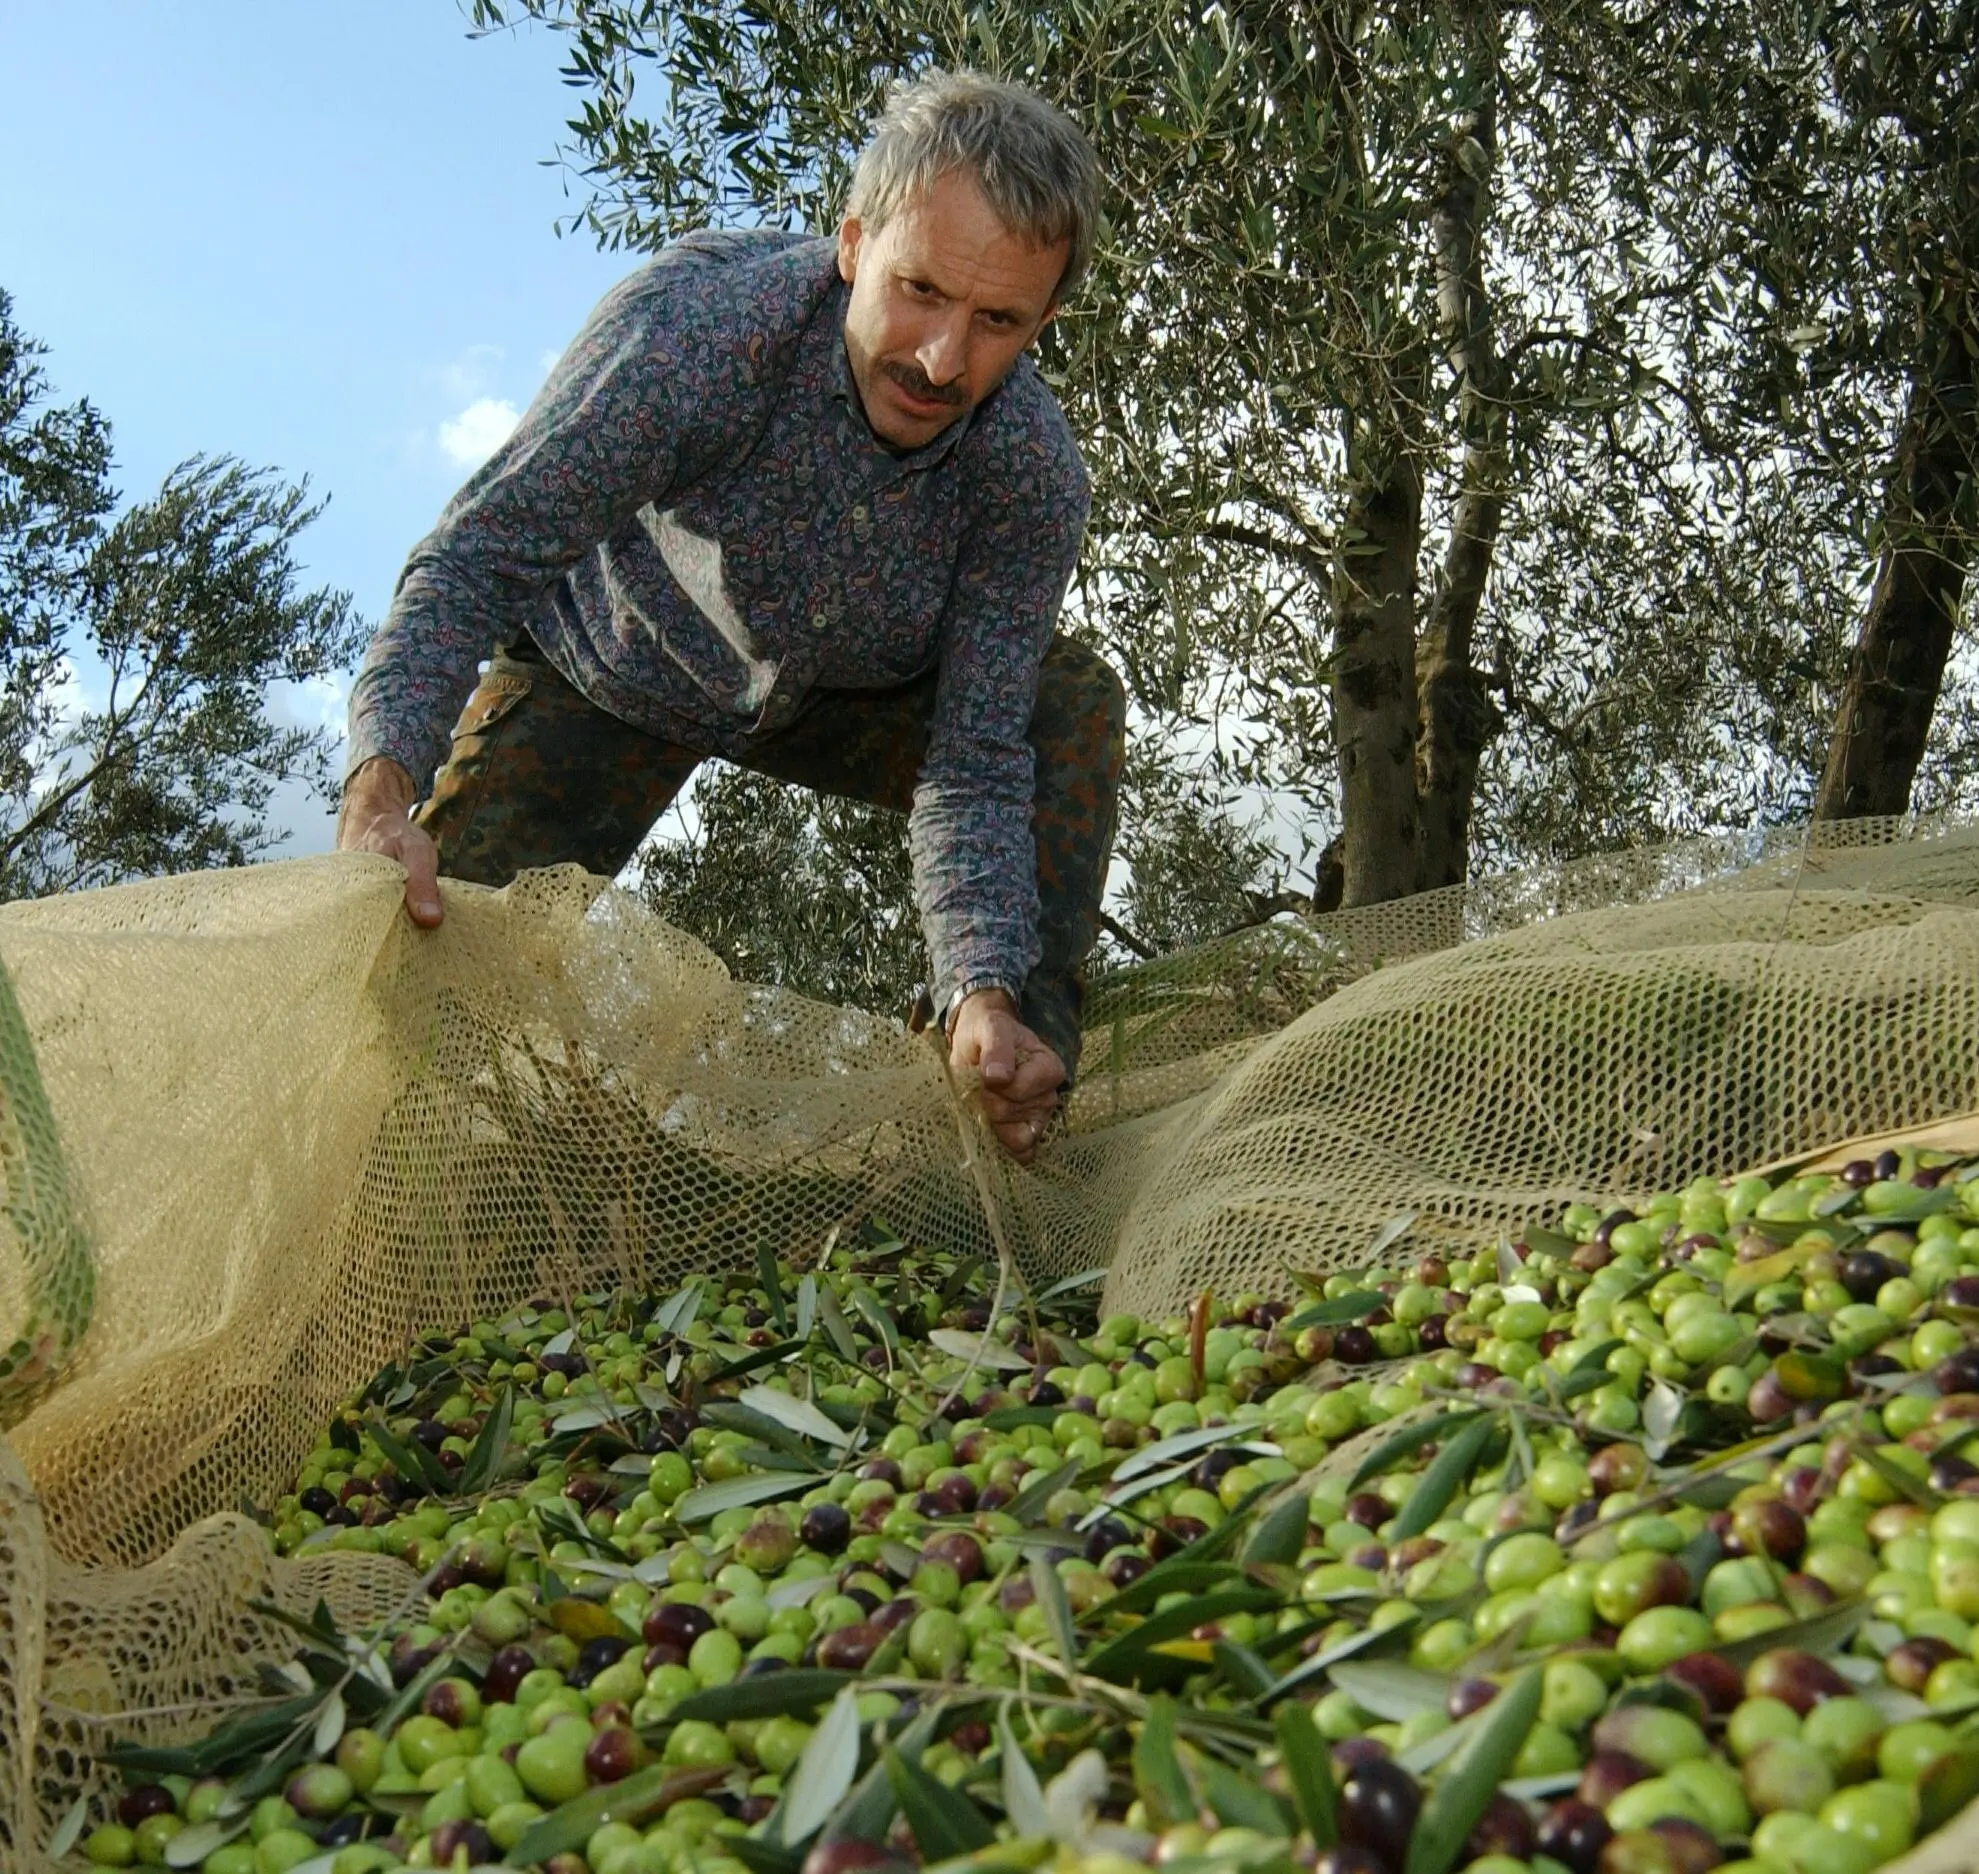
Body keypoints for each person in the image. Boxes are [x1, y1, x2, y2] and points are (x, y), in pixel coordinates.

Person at [336, 69, 1124, 1164]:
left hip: (830, 696)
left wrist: (979, 984)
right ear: (851, 245)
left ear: (1043, 320)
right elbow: (476, 557)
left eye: (997, 321)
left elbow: (976, 758)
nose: (943, 359)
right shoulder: (693, 341)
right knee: (415, 984)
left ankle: (1000, 1107)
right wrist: (380, 785)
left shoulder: (1028, 476)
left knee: (1066, 701)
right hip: (603, 673)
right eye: (919, 291)